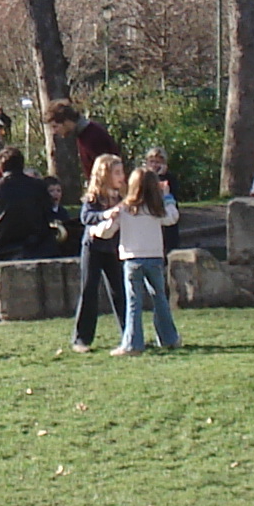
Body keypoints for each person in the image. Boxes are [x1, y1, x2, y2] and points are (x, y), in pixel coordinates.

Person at [111, 163, 182, 355]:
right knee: (159, 298)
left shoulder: (124, 209)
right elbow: (172, 218)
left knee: (134, 302)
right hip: (154, 257)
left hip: (132, 258)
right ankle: (169, 338)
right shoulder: (156, 209)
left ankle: (133, 343)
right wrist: (168, 196)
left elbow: (110, 228)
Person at [70, 152, 131, 351]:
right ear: (105, 175)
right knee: (89, 290)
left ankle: (129, 335)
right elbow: (86, 217)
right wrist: (106, 214)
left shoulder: (123, 195)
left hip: (114, 249)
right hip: (94, 248)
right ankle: (82, 339)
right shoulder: (94, 197)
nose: (122, 176)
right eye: (117, 173)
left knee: (120, 292)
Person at [0, 146, 58, 263]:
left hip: (0, 250)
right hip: (38, 249)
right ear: (22, 164)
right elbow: (49, 211)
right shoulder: (39, 186)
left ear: (0, 167)